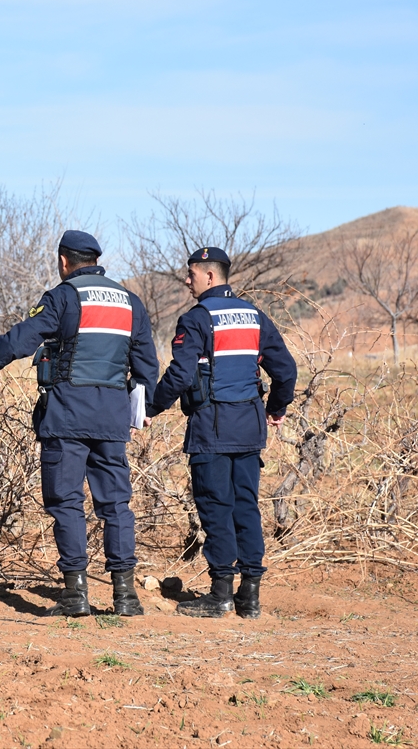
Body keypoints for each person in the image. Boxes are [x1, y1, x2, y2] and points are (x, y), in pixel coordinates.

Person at [0, 230, 159, 617]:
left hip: (67, 415)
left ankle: (75, 594)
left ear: (64, 261)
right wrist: (143, 407)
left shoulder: (64, 296)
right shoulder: (130, 303)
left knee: (67, 502)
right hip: (112, 418)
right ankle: (126, 596)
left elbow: (19, 339)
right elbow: (147, 364)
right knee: (116, 504)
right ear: (96, 261)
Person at [145, 247, 297, 618]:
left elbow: (180, 375)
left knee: (215, 507)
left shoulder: (196, 319)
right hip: (249, 427)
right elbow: (287, 370)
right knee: (245, 506)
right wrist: (275, 408)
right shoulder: (254, 315)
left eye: (191, 273)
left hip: (212, 429)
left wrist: (150, 408)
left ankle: (220, 594)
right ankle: (250, 596)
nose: (187, 279)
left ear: (209, 276)